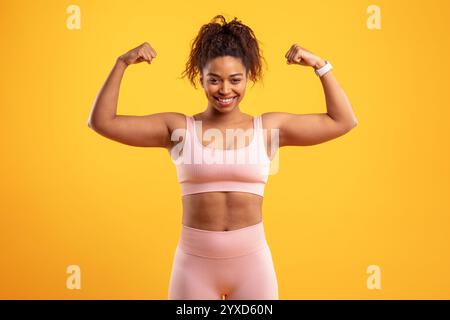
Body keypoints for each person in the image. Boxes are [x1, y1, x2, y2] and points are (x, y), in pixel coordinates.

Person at [87, 15, 358, 300]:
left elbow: (343, 121)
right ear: (200, 79)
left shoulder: (267, 129)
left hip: (253, 267)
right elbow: (102, 122)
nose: (225, 90)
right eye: (214, 80)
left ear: (249, 78)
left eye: (235, 80)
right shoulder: (178, 129)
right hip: (194, 268)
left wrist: (320, 65)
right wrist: (122, 63)